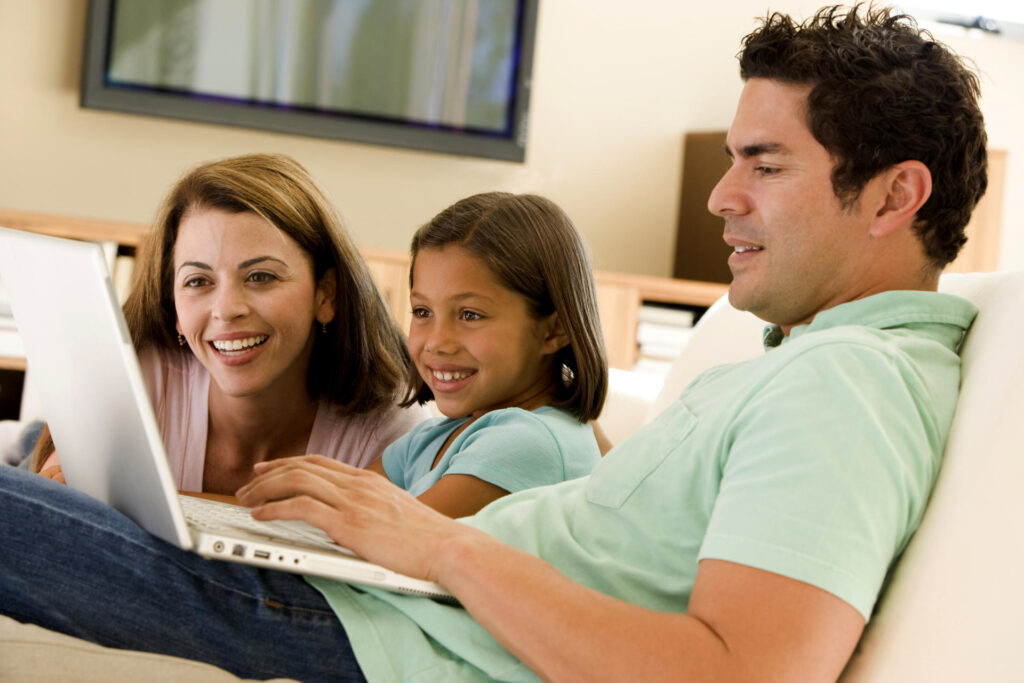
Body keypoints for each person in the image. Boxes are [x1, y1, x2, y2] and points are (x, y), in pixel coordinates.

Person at [0, 5, 988, 681]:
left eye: (763, 166)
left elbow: (742, 670)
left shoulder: (848, 384)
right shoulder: (799, 362)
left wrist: (437, 544)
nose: (720, 197)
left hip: (398, 633)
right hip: (396, 602)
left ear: (895, 194)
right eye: (731, 161)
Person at [30, 153, 427, 493]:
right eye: (198, 281)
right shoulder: (131, 387)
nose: (226, 309)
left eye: (260, 277)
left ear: (327, 296)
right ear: (174, 312)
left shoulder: (390, 434)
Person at [365, 192, 606, 518]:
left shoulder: (531, 442)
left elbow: (395, 539)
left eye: (470, 315)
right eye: (422, 311)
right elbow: (342, 508)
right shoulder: (434, 436)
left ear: (553, 330)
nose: (437, 342)